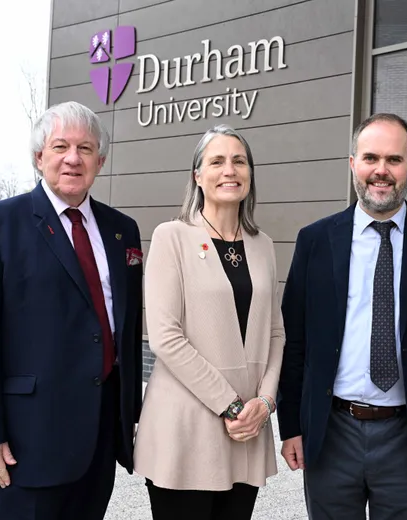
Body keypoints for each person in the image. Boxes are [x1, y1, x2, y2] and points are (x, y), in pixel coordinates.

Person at [276, 113, 407, 519]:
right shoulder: (315, 241)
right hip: (330, 433)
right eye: (370, 158)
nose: (381, 171)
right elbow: (293, 340)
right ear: (352, 162)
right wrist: (291, 427)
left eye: (394, 159)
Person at [0, 101, 144, 519]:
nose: (73, 158)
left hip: (99, 436)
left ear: (101, 160)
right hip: (28, 441)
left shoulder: (121, 230)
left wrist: (131, 415)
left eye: (86, 148)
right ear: (40, 157)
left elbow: (126, 328)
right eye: (61, 146)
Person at [133, 124, 285, 520]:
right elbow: (165, 338)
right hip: (187, 428)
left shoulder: (263, 245)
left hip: (248, 427)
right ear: (197, 176)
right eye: (216, 161)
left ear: (250, 174)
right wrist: (231, 406)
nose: (229, 170)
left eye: (239, 161)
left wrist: (264, 404)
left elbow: (275, 332)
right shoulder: (172, 237)